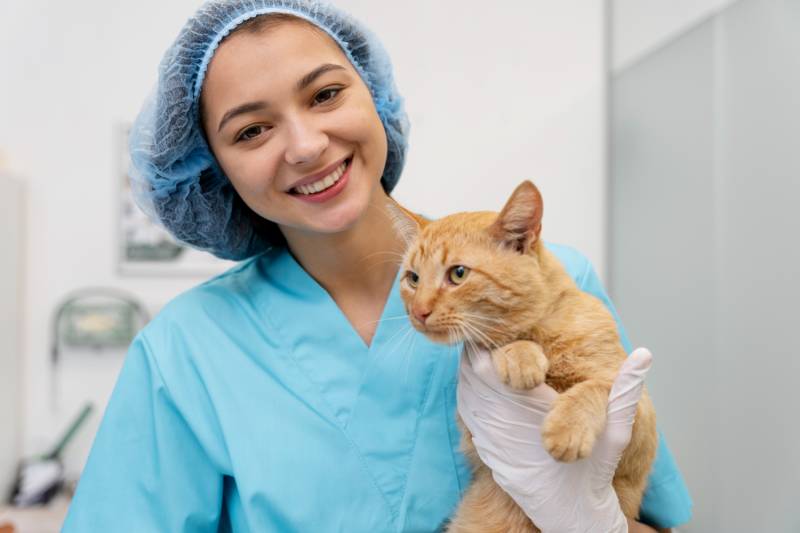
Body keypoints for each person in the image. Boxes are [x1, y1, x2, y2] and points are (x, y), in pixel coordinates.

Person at [62, 1, 692, 531]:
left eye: (326, 94)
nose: (306, 146)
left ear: (374, 95)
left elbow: (660, 518)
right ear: (211, 168)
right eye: (251, 131)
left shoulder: (557, 283)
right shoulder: (185, 351)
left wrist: (595, 523)